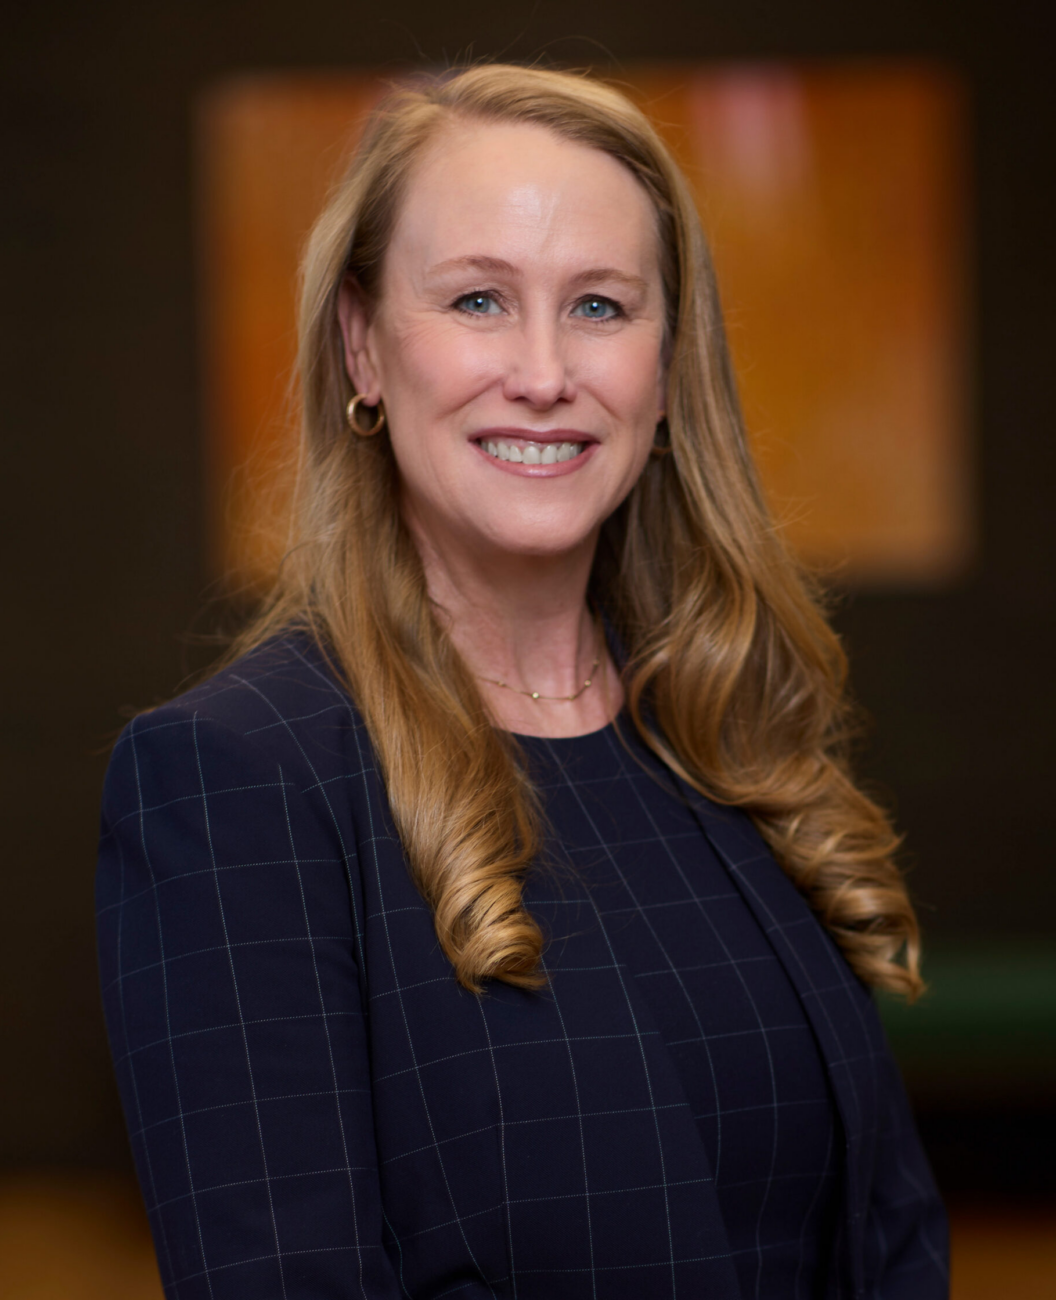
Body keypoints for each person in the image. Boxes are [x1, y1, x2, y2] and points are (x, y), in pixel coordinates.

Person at [96, 63, 948, 1300]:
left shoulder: (724, 736)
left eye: (601, 306)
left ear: (667, 372)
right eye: (480, 299)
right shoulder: (239, 779)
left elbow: (890, 1242)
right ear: (363, 345)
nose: (545, 372)